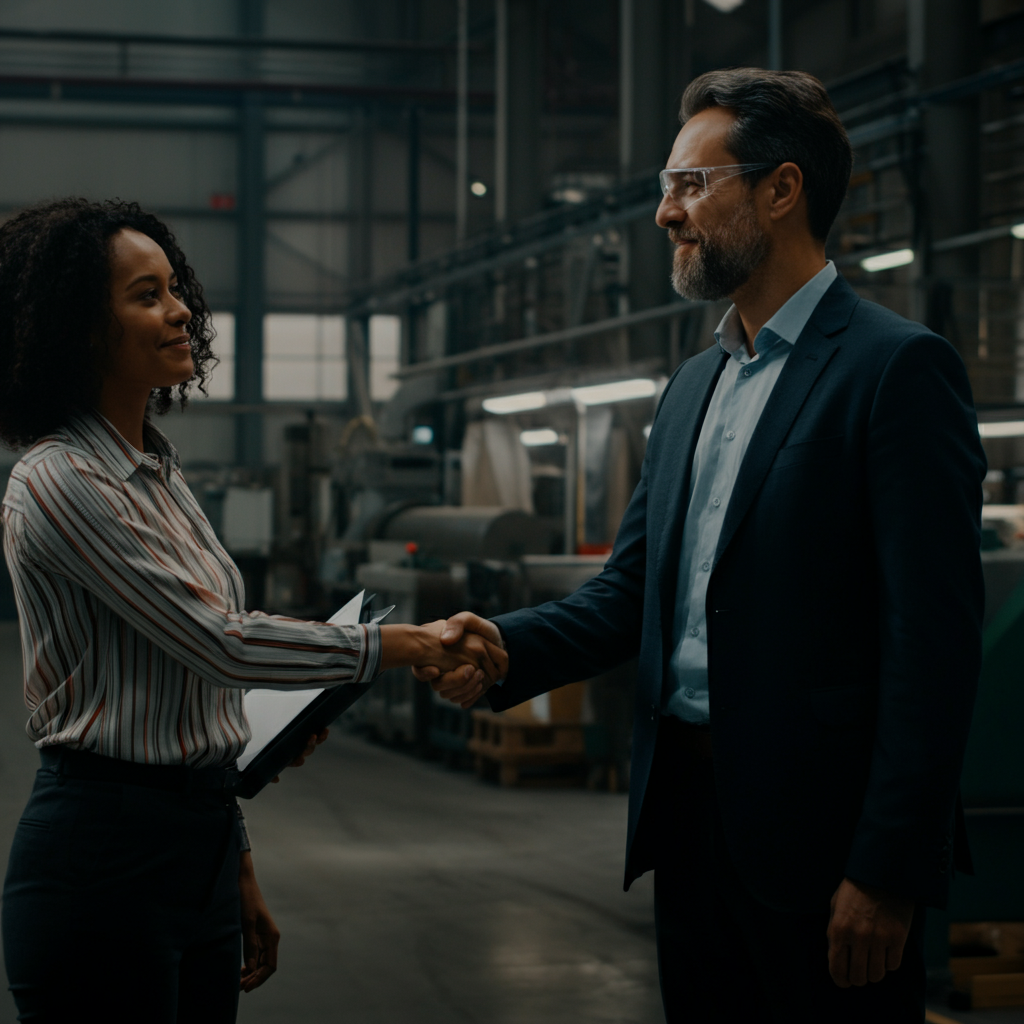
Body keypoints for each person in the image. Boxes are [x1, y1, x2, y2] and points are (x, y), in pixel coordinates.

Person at [418, 68, 985, 1023]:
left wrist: (889, 870)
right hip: (685, 825)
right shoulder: (691, 388)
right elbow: (633, 592)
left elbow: (933, 646)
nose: (664, 215)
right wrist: (505, 647)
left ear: (780, 189)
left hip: (822, 844)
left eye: (689, 185)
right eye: (665, 188)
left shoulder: (896, 370)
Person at [0, 198, 506, 1024]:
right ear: (78, 328)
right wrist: (405, 644)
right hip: (102, 861)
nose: (180, 313)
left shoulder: (158, 475)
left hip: (194, 849)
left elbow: (191, 701)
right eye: (145, 295)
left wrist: (233, 866)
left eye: (175, 289)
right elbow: (217, 644)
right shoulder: (58, 481)